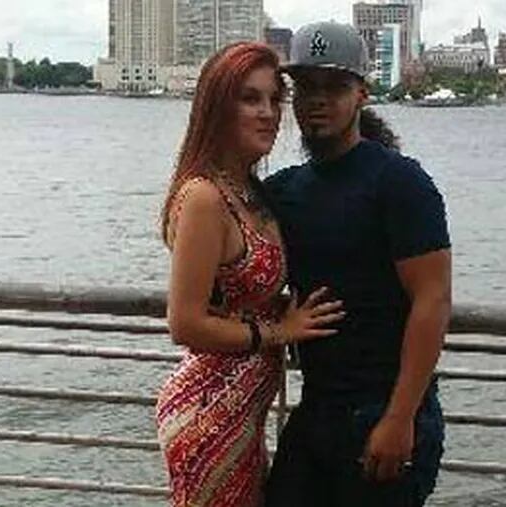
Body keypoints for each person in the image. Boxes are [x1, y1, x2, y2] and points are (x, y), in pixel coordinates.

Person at [264, 22, 452, 507]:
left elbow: (432, 300)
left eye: (335, 87)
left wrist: (399, 418)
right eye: (306, 87)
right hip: (316, 410)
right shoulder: (284, 190)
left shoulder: (399, 182)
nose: (317, 100)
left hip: (383, 410)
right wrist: (278, 320)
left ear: (362, 94)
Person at [155, 42, 346, 507]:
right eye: (249, 98)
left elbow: (238, 295)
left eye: (275, 100)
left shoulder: (250, 192)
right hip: (209, 411)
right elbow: (185, 324)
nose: (268, 113)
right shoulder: (205, 197)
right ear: (217, 107)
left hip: (244, 414)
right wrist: (281, 331)